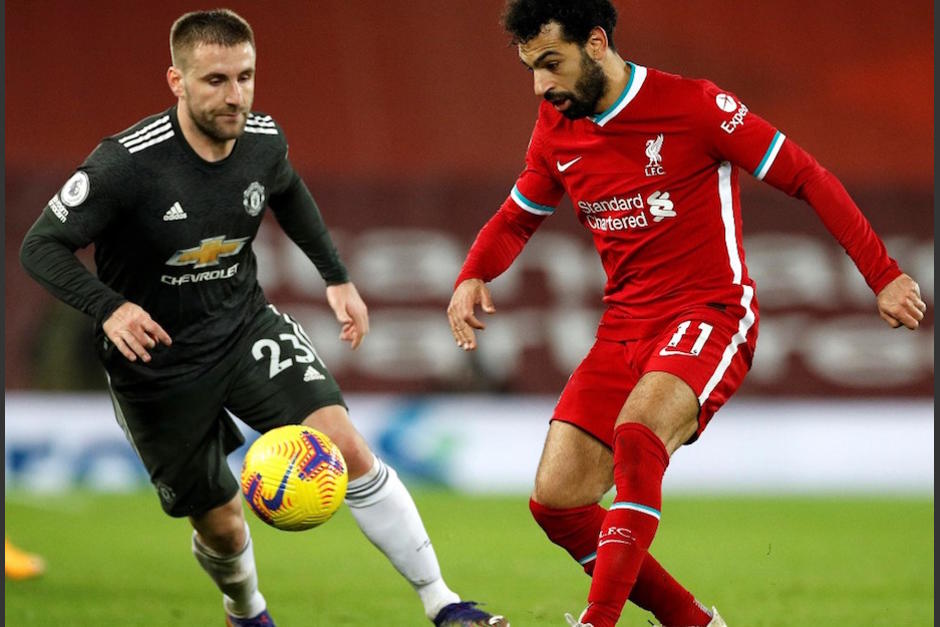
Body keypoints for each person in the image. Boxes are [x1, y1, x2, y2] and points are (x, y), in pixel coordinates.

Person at [20, 9, 507, 627]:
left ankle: (444, 603)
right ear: (176, 82)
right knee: (221, 522)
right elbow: (38, 247)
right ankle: (246, 611)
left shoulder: (262, 137)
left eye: (246, 77)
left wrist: (335, 276)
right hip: (157, 362)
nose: (236, 96)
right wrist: (109, 307)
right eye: (216, 80)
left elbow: (287, 191)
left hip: (244, 328)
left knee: (349, 446)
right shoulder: (126, 164)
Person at [446, 1, 926, 626]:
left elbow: (806, 175)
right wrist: (472, 274)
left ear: (596, 44)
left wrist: (883, 275)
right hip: (623, 327)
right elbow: (517, 217)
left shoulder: (694, 105)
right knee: (557, 500)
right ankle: (692, 624)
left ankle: (599, 621)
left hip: (710, 311)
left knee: (639, 434)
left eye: (551, 64)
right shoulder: (554, 126)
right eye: (532, 69)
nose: (542, 85)